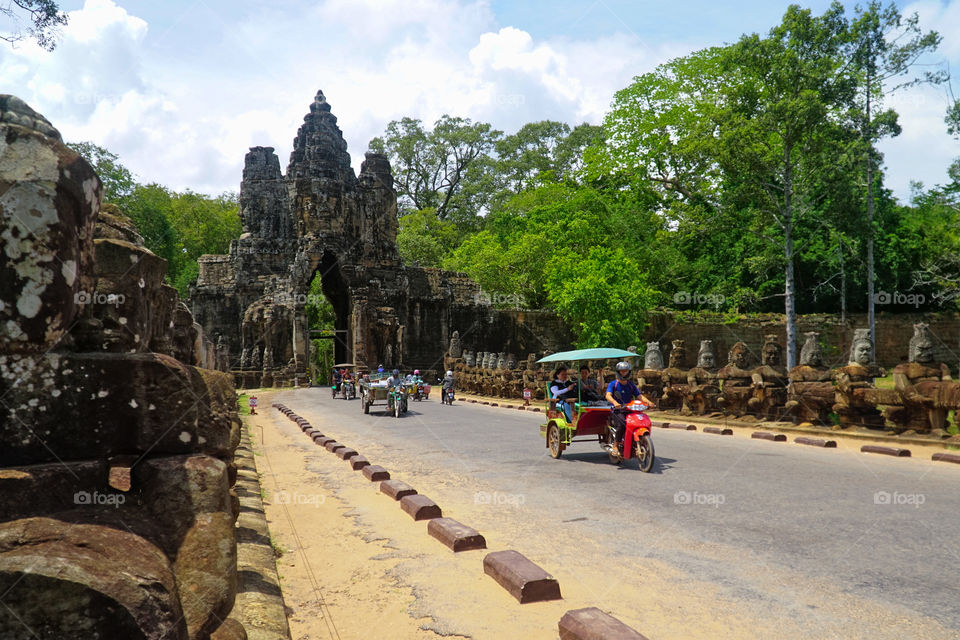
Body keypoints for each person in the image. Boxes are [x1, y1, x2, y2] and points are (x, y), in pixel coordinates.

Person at [605, 361, 653, 453]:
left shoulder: (631, 385)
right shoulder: (613, 384)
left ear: (629, 372)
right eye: (622, 371)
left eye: (626, 371)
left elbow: (639, 396)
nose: (624, 373)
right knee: (622, 424)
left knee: (639, 422)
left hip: (629, 410)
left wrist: (649, 402)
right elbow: (608, 395)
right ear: (618, 372)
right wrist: (615, 402)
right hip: (617, 410)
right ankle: (616, 444)